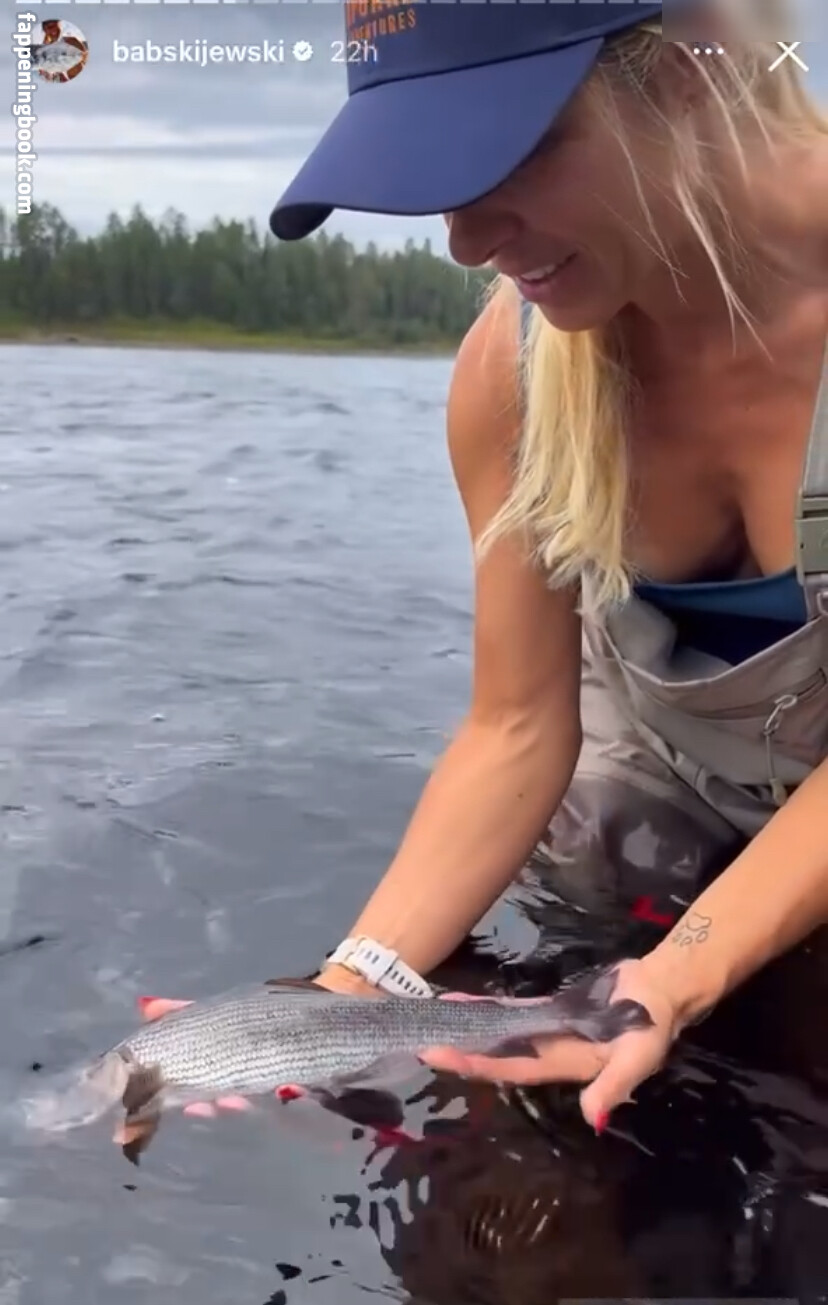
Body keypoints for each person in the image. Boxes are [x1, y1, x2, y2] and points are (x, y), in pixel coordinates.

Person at [148, 0, 828, 1136]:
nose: (465, 240)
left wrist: (676, 977)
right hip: (659, 781)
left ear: (684, 79)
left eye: (503, 154)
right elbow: (517, 729)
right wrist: (340, 997)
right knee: (498, 1164)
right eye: (431, 172)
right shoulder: (509, 371)